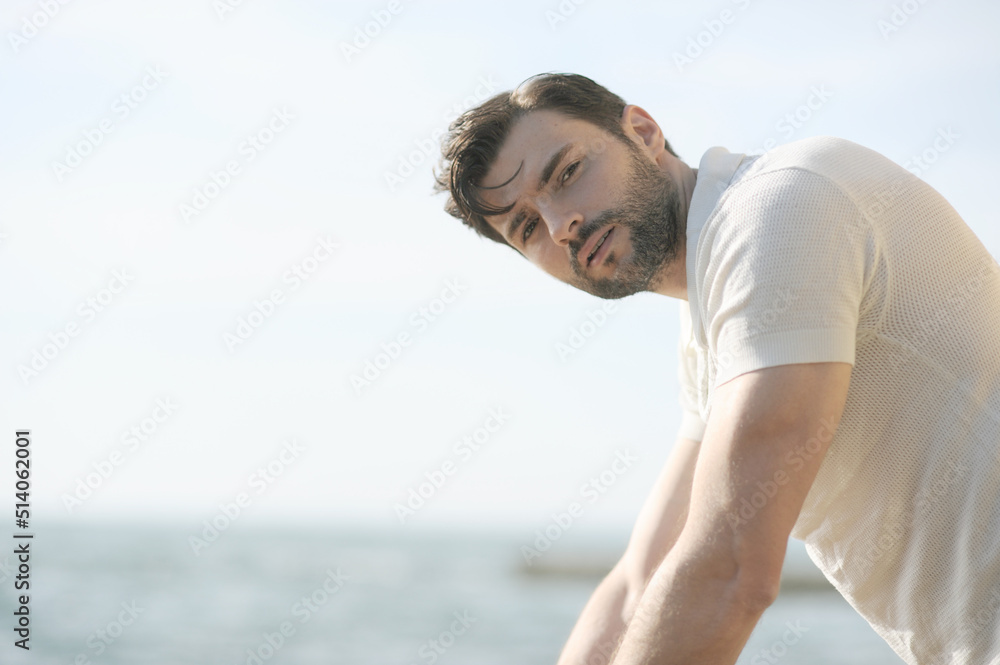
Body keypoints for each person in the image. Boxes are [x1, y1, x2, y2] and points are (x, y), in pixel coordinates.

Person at [432, 72, 1000, 665]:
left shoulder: (777, 212)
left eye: (567, 173)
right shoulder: (710, 319)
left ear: (643, 132)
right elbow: (639, 583)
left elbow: (728, 565)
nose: (559, 226)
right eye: (526, 227)